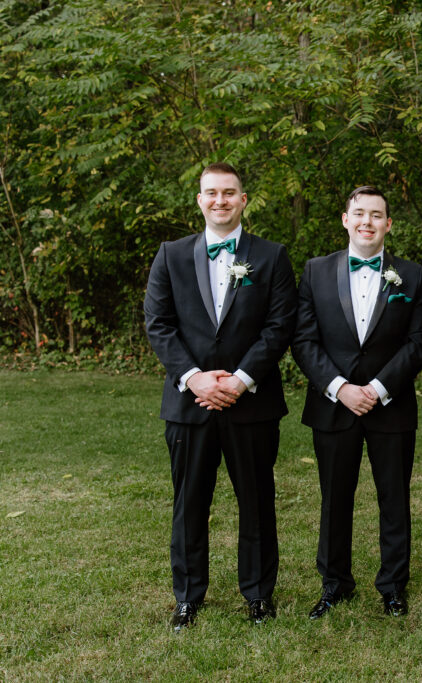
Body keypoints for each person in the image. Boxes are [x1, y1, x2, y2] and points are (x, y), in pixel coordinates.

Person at [144, 162, 297, 629]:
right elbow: (158, 323)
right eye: (212, 192)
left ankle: (258, 595)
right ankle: (188, 597)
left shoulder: (272, 256)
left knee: (257, 501)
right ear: (200, 200)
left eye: (229, 192)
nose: (220, 200)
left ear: (243, 200)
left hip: (251, 402)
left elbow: (279, 326)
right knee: (189, 503)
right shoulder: (170, 255)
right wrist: (194, 378)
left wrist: (240, 380)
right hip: (189, 404)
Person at [291, 186, 422, 618]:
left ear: (388, 224)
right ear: (345, 219)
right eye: (359, 213)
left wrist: (378, 388)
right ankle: (334, 584)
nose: (367, 222)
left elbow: (419, 342)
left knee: (395, 499)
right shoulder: (315, 271)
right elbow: (304, 339)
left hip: (391, 404)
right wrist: (340, 387)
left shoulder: (413, 275)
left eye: (376, 215)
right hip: (333, 405)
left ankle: (393, 585)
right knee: (334, 499)